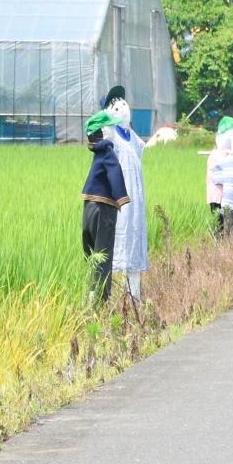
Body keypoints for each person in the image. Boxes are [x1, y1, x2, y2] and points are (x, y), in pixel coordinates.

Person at [100, 86, 153, 303]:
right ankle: (111, 299)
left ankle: (134, 298)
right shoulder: (110, 133)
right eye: (116, 106)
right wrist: (105, 118)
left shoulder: (131, 135)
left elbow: (144, 147)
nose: (122, 108)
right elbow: (95, 134)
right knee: (119, 240)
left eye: (123, 104)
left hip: (136, 198)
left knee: (135, 237)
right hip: (119, 196)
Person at [81, 107, 128, 300]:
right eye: (111, 128)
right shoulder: (108, 152)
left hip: (88, 207)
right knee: (104, 254)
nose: (114, 132)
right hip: (104, 209)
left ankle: (90, 294)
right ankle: (101, 299)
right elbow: (114, 172)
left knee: (92, 254)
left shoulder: (97, 154)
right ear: (105, 132)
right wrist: (122, 198)